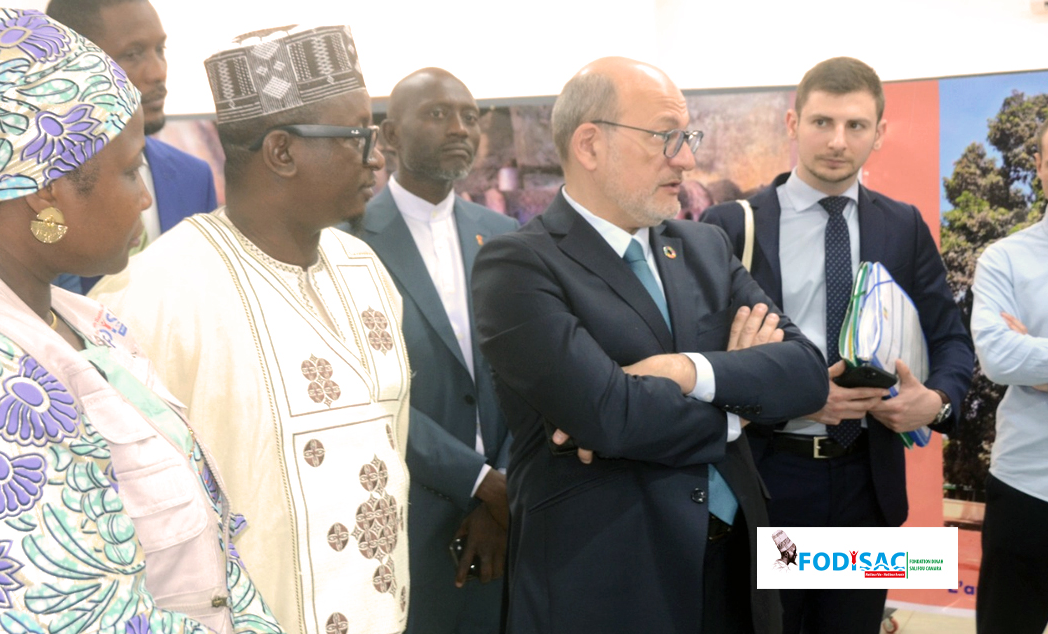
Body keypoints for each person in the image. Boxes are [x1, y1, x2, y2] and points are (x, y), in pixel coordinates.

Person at [0, 7, 279, 634]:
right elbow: (69, 621)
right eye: (130, 171)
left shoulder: (75, 319)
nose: (146, 196)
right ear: (45, 190)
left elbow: (213, 563)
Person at [471, 56, 828, 634]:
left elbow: (806, 376)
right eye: (667, 137)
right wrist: (737, 409)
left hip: (738, 570)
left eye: (687, 137)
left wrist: (687, 372)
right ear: (590, 144)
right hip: (610, 583)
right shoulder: (517, 264)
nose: (686, 158)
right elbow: (611, 416)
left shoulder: (704, 248)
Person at [92, 26, 411, 634]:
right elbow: (124, 521)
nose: (375, 157)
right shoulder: (152, 295)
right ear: (282, 152)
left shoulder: (365, 270)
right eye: (355, 136)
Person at [701, 57, 974, 634]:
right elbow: (703, 359)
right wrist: (794, 396)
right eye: (822, 122)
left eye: (855, 126)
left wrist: (938, 402)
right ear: (792, 122)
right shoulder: (732, 226)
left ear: (879, 133)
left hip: (865, 486)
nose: (836, 141)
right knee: (767, 626)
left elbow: (950, 338)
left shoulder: (903, 225)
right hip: (772, 483)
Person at [351, 68, 515, 633]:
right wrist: (479, 482)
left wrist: (505, 486)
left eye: (470, 116)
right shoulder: (348, 241)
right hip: (405, 511)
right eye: (439, 113)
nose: (461, 128)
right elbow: (367, 390)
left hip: (509, 512)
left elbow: (532, 374)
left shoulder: (503, 235)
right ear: (388, 137)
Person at [46, 0, 216, 286]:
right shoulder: (41, 187)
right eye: (133, 54)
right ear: (72, 65)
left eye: (160, 50)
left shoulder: (194, 177)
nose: (157, 71)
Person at [969, 118, 1048, 634]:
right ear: (1041, 167)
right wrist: (1018, 357)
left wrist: (1035, 357)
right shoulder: (1006, 258)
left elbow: (1021, 358)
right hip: (1025, 491)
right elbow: (999, 358)